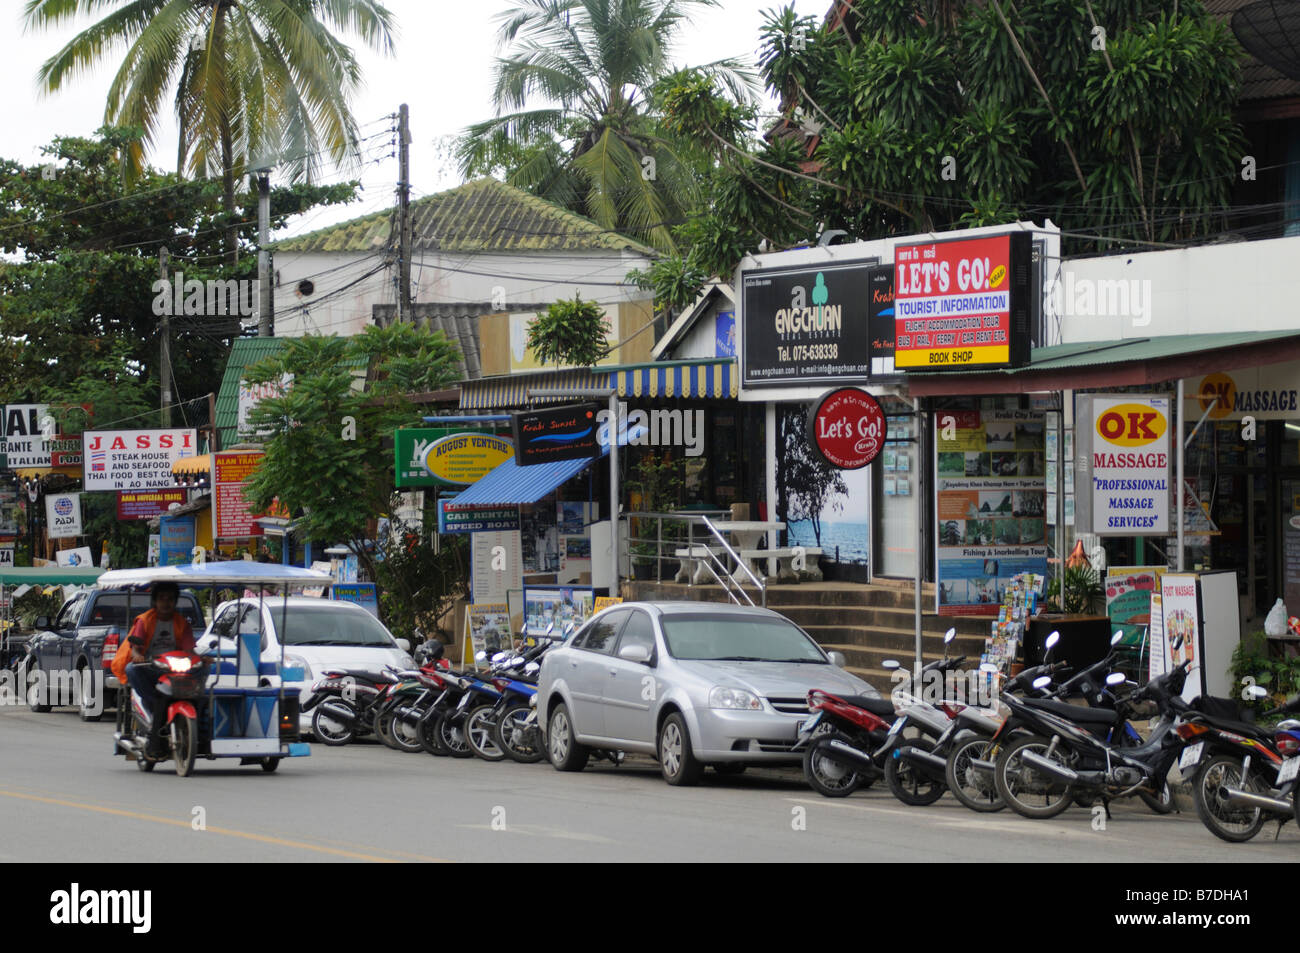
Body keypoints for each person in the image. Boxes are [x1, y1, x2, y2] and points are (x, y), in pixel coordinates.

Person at [110, 582, 196, 759]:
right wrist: (137, 655)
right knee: (132, 669)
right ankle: (153, 703)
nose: (166, 603)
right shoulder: (145, 620)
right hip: (150, 667)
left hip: (173, 670)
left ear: (175, 601)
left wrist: (200, 659)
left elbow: (189, 649)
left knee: (203, 671)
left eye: (170, 599)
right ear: (155, 601)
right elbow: (135, 646)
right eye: (162, 599)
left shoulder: (182, 624)